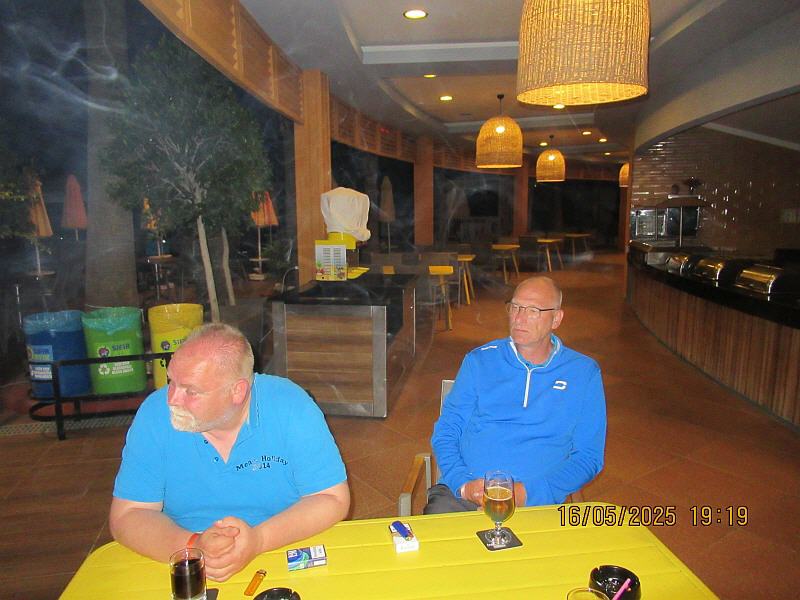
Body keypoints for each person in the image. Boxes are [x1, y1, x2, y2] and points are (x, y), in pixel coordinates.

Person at [109, 323, 349, 581]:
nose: (172, 400)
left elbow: (331, 499)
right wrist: (194, 546)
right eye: (171, 382)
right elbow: (127, 515)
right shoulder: (154, 414)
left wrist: (259, 540)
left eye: (191, 391)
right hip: (182, 555)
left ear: (238, 391)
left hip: (281, 547)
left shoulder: (291, 405)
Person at [426, 276, 606, 513]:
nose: (519, 318)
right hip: (466, 495)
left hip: (538, 502)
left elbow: (589, 456)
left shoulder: (583, 373)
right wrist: (464, 484)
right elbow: (447, 430)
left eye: (533, 310)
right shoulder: (479, 361)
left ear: (556, 318)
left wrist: (528, 494)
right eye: (515, 307)